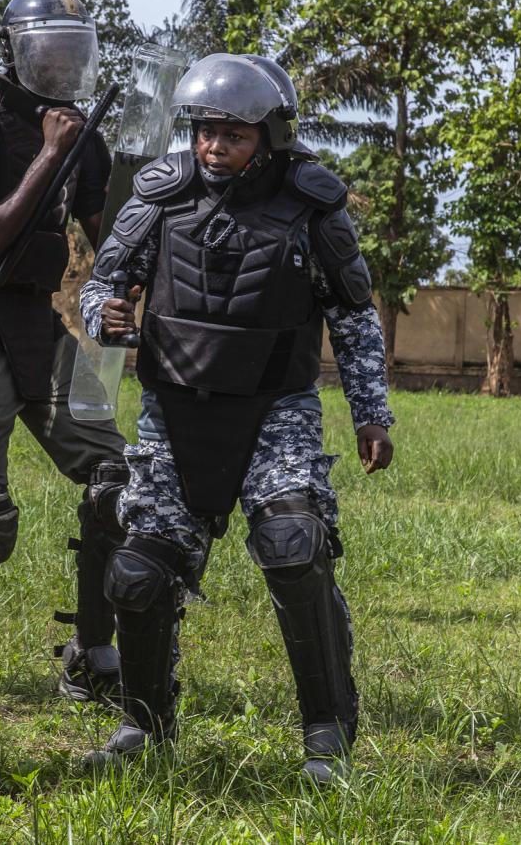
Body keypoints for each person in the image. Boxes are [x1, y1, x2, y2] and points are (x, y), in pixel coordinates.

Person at [79, 53, 395, 783]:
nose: (213, 146)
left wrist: (371, 415)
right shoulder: (160, 194)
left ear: (271, 137)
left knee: (293, 544)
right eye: (204, 131)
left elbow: (353, 318)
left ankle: (326, 735)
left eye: (233, 135)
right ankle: (144, 724)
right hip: (173, 409)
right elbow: (101, 287)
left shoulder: (312, 204)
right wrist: (108, 316)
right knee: (137, 571)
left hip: (275, 409)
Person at [0, 0, 128, 708]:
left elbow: (117, 240)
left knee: (117, 479)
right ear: (16, 50)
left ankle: (92, 654)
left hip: (39, 326)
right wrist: (49, 153)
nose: (62, 64)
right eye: (49, 49)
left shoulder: (84, 134)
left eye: (74, 50)